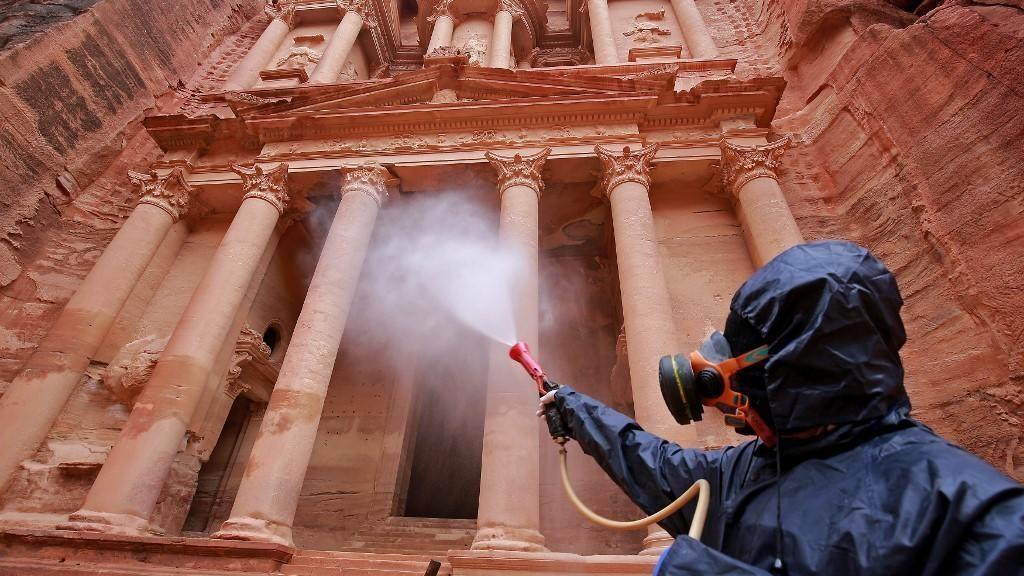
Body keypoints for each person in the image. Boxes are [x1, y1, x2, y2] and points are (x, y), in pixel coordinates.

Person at [539, 240, 1024, 575]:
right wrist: (574, 409)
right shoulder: (748, 467)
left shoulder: (976, 516)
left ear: (797, 372)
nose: (720, 388)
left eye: (739, 366)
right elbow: (656, 464)